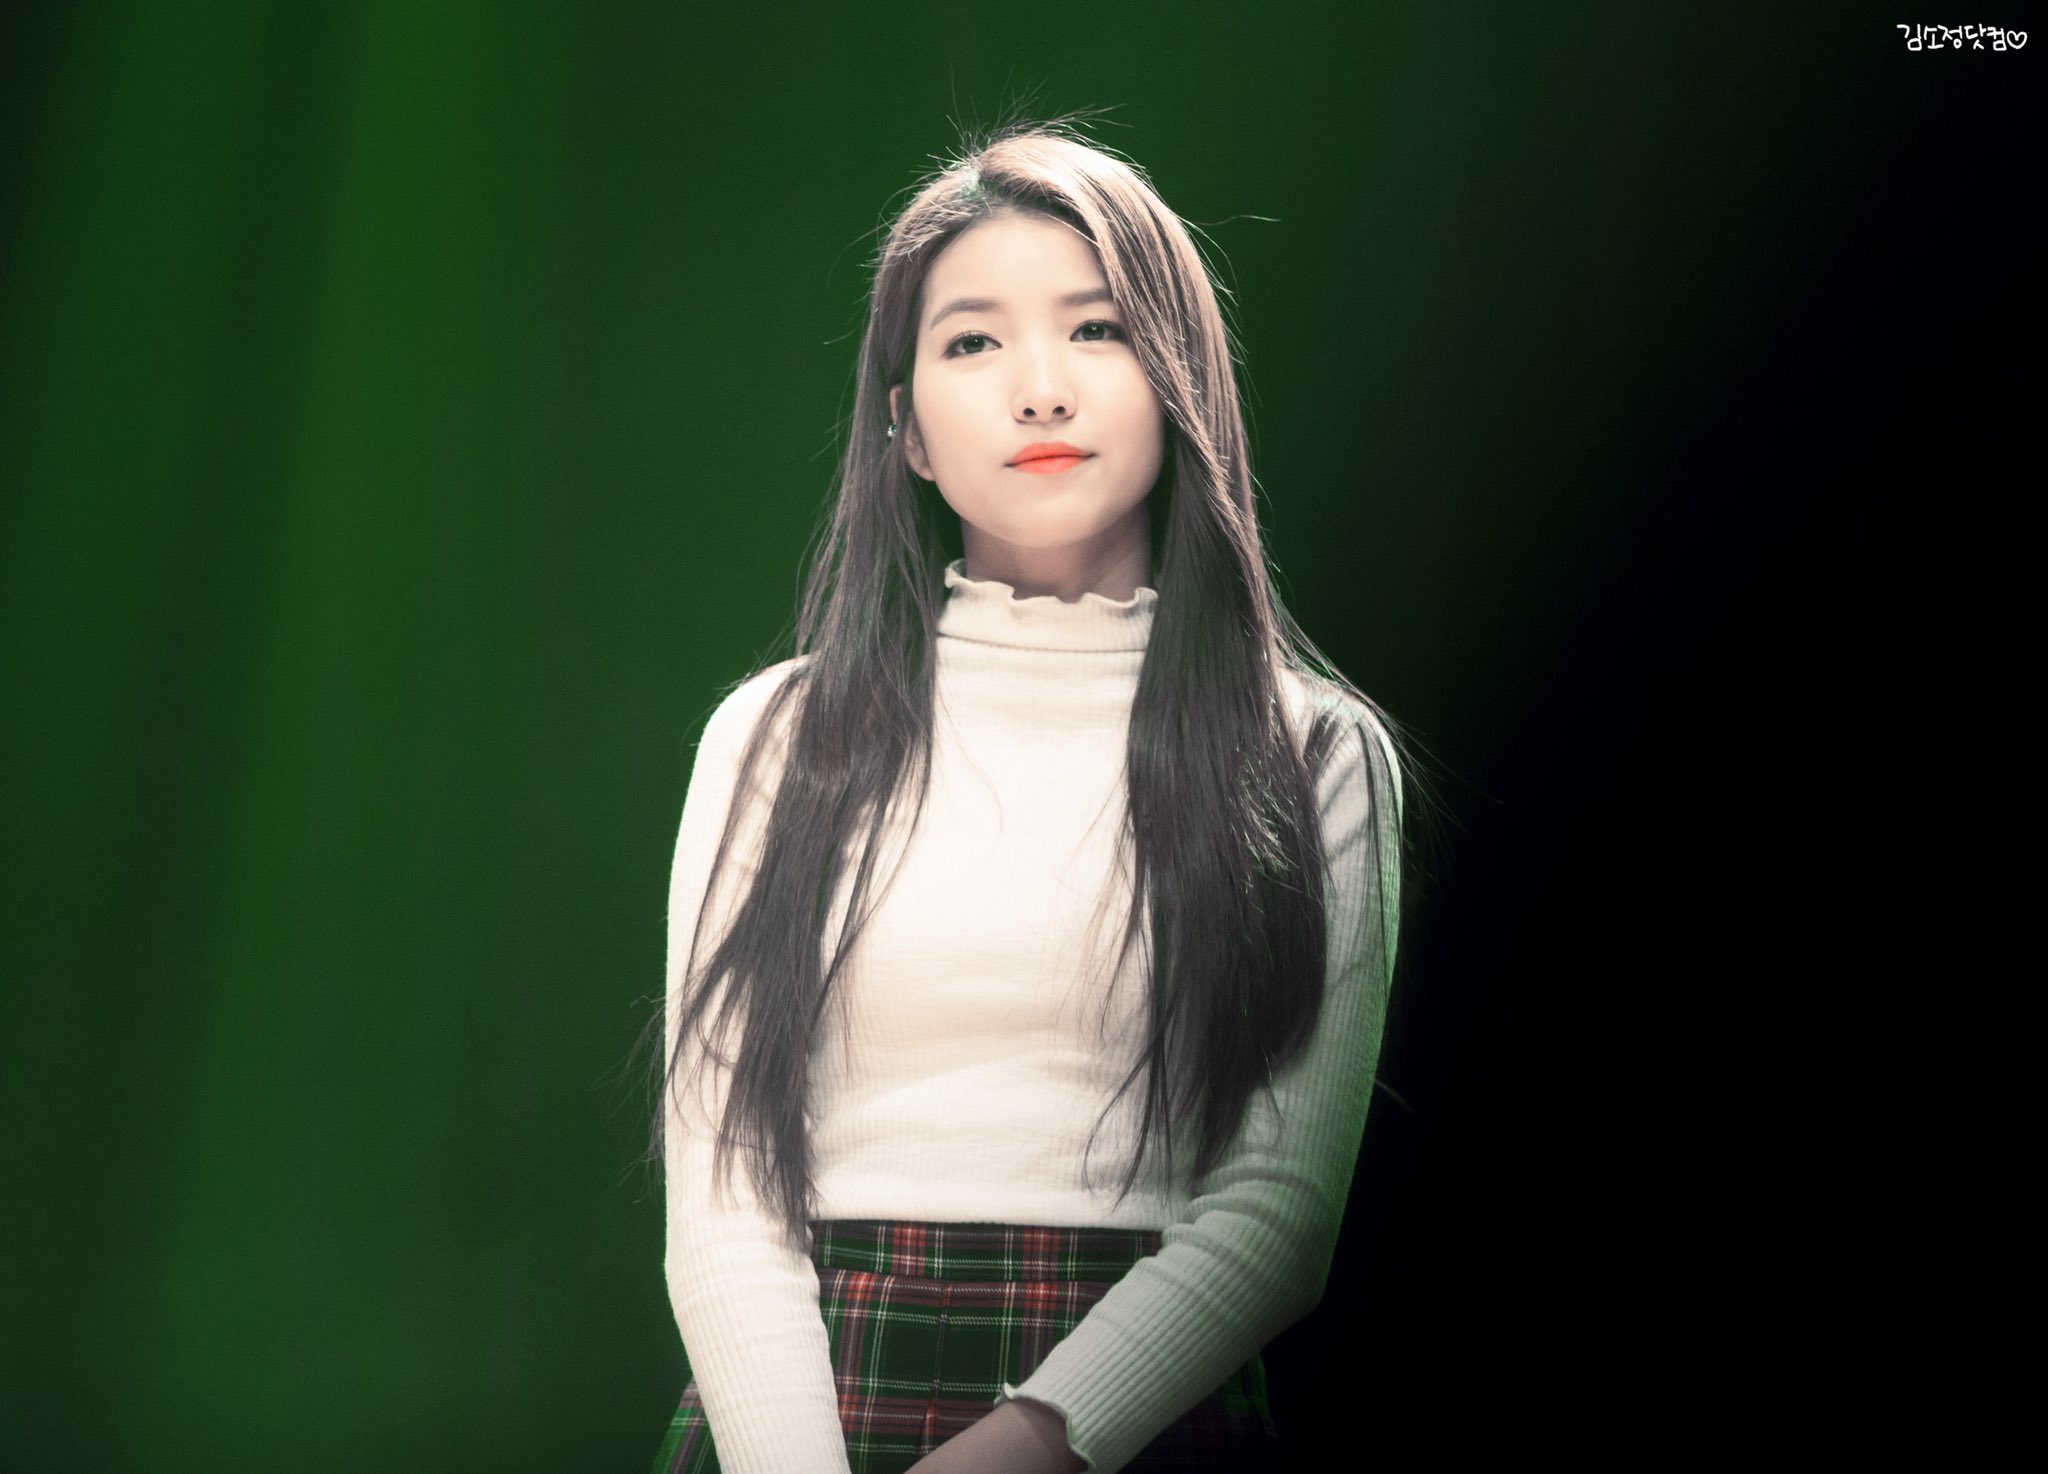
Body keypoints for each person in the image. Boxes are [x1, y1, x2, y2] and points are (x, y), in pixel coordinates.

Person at [650, 119, 1406, 1474]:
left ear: (1179, 383)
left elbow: (1274, 1217)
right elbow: (725, 1204)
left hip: (1134, 1411)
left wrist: (1033, 1445)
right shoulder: (776, 736)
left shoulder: (1310, 752)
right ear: (906, 432)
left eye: (1097, 329)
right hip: (804, 1402)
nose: (1040, 390)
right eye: (973, 343)